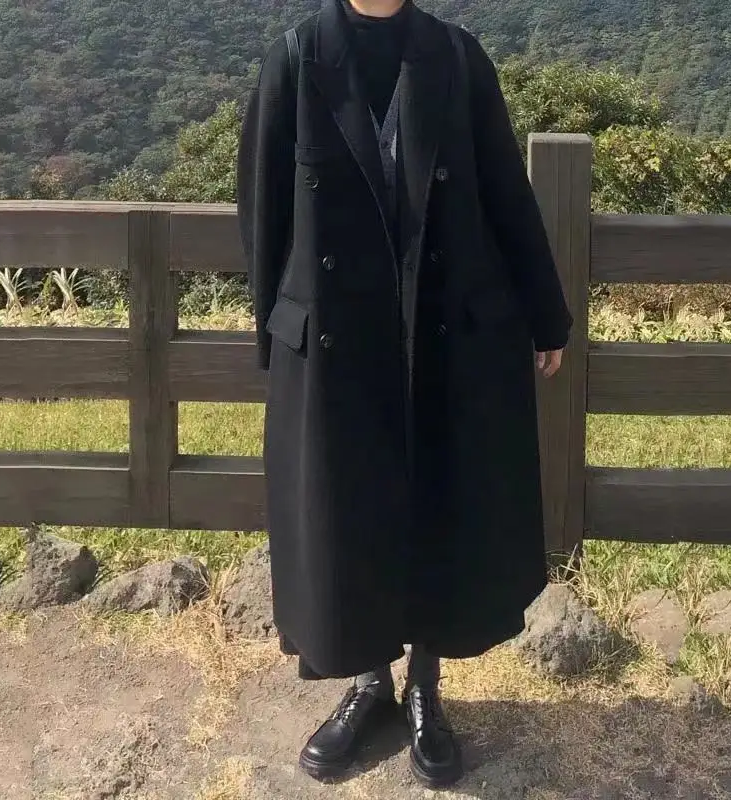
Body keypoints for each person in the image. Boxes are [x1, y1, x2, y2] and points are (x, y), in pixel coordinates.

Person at [236, 0, 572, 788]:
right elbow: (263, 212)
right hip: (339, 340)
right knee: (349, 514)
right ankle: (368, 684)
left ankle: (425, 685)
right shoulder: (295, 60)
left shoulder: (456, 59)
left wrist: (546, 314)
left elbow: (506, 193)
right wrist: (277, 333)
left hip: (443, 331)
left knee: (435, 507)